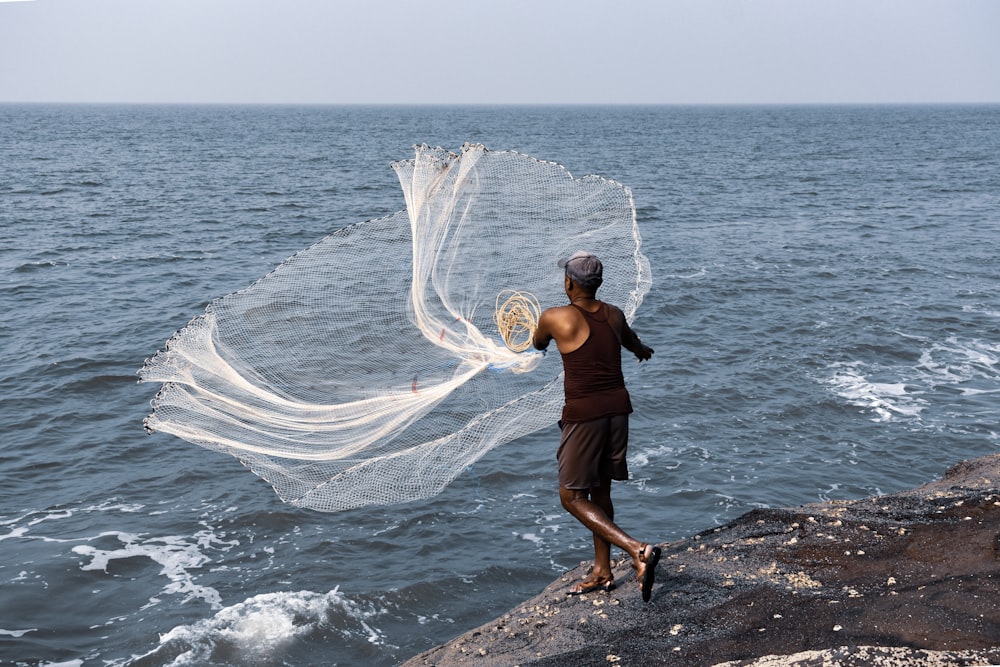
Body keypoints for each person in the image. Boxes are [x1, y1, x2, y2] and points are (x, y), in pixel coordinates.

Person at [532, 250, 661, 602]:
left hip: (584, 415)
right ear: (599, 283)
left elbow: (537, 343)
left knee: (571, 496)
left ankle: (637, 550)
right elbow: (633, 343)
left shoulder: (555, 317)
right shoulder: (614, 315)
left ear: (568, 283)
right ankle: (603, 571)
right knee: (601, 493)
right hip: (617, 410)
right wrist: (643, 350)